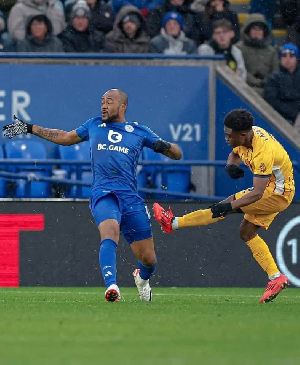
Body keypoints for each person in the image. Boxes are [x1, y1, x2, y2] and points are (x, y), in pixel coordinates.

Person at [2, 89, 182, 302]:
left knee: (149, 259)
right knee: (110, 232)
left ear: (123, 107)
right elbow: (65, 137)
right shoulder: (94, 125)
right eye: (102, 102)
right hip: (103, 192)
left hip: (130, 197)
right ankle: (111, 286)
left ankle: (142, 278)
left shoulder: (139, 131)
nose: (103, 106)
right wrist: (30, 128)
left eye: (109, 102)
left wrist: (166, 147)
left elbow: (177, 154)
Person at [153, 109, 294, 304]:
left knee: (225, 205)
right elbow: (235, 153)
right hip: (274, 189)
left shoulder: (264, 152)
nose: (226, 138)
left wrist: (229, 207)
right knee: (246, 232)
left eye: (229, 135)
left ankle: (173, 223)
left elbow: (257, 193)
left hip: (276, 193)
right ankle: (275, 277)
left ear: (242, 134)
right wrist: (231, 165)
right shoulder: (247, 135)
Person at [236, 13, 278, 96]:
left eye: (259, 29)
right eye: (254, 29)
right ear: (248, 30)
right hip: (244, 87)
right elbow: (239, 70)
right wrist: (255, 82)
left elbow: (275, 72)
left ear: (264, 32)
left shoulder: (271, 51)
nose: (256, 32)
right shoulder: (238, 48)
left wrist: (266, 82)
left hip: (267, 89)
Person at [264, 43, 300, 125]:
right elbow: (271, 101)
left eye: (291, 56)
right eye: (284, 55)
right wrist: (290, 112)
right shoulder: (274, 78)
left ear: (296, 58)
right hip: (281, 118)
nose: (287, 59)